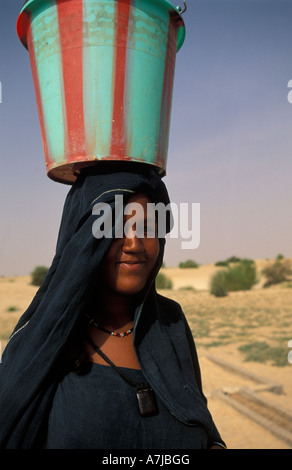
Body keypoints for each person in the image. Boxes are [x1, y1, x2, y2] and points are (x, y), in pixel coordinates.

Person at [0, 163, 226, 449]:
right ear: (83, 239)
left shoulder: (171, 323)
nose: (134, 244)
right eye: (114, 228)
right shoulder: (45, 342)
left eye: (147, 227)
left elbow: (200, 424)